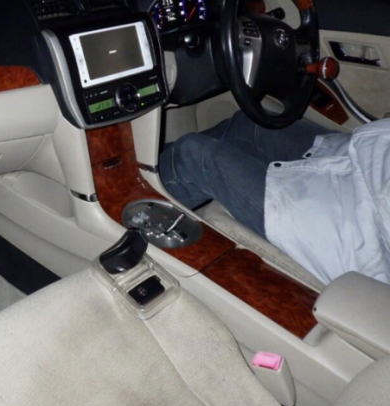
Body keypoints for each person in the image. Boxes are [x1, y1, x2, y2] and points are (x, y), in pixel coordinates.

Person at [159, 111, 390, 285]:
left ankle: (139, 206)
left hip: (348, 227)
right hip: (355, 161)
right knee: (249, 124)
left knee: (193, 156)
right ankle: (161, 158)